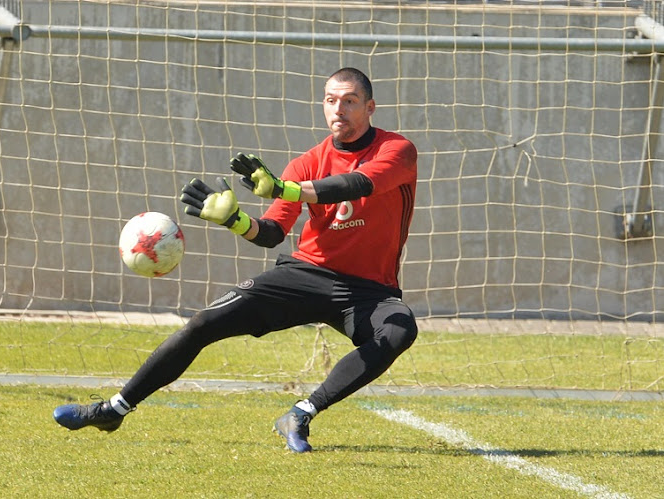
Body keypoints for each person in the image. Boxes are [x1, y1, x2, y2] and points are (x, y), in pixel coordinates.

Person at [53, 67, 419, 453]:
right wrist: (235, 220)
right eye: (330, 100)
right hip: (306, 274)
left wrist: (283, 187)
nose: (338, 109)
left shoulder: (398, 151)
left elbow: (356, 183)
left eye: (350, 101)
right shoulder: (306, 162)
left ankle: (300, 413)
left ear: (370, 107)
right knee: (205, 322)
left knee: (399, 330)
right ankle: (114, 408)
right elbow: (273, 233)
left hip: (369, 290)